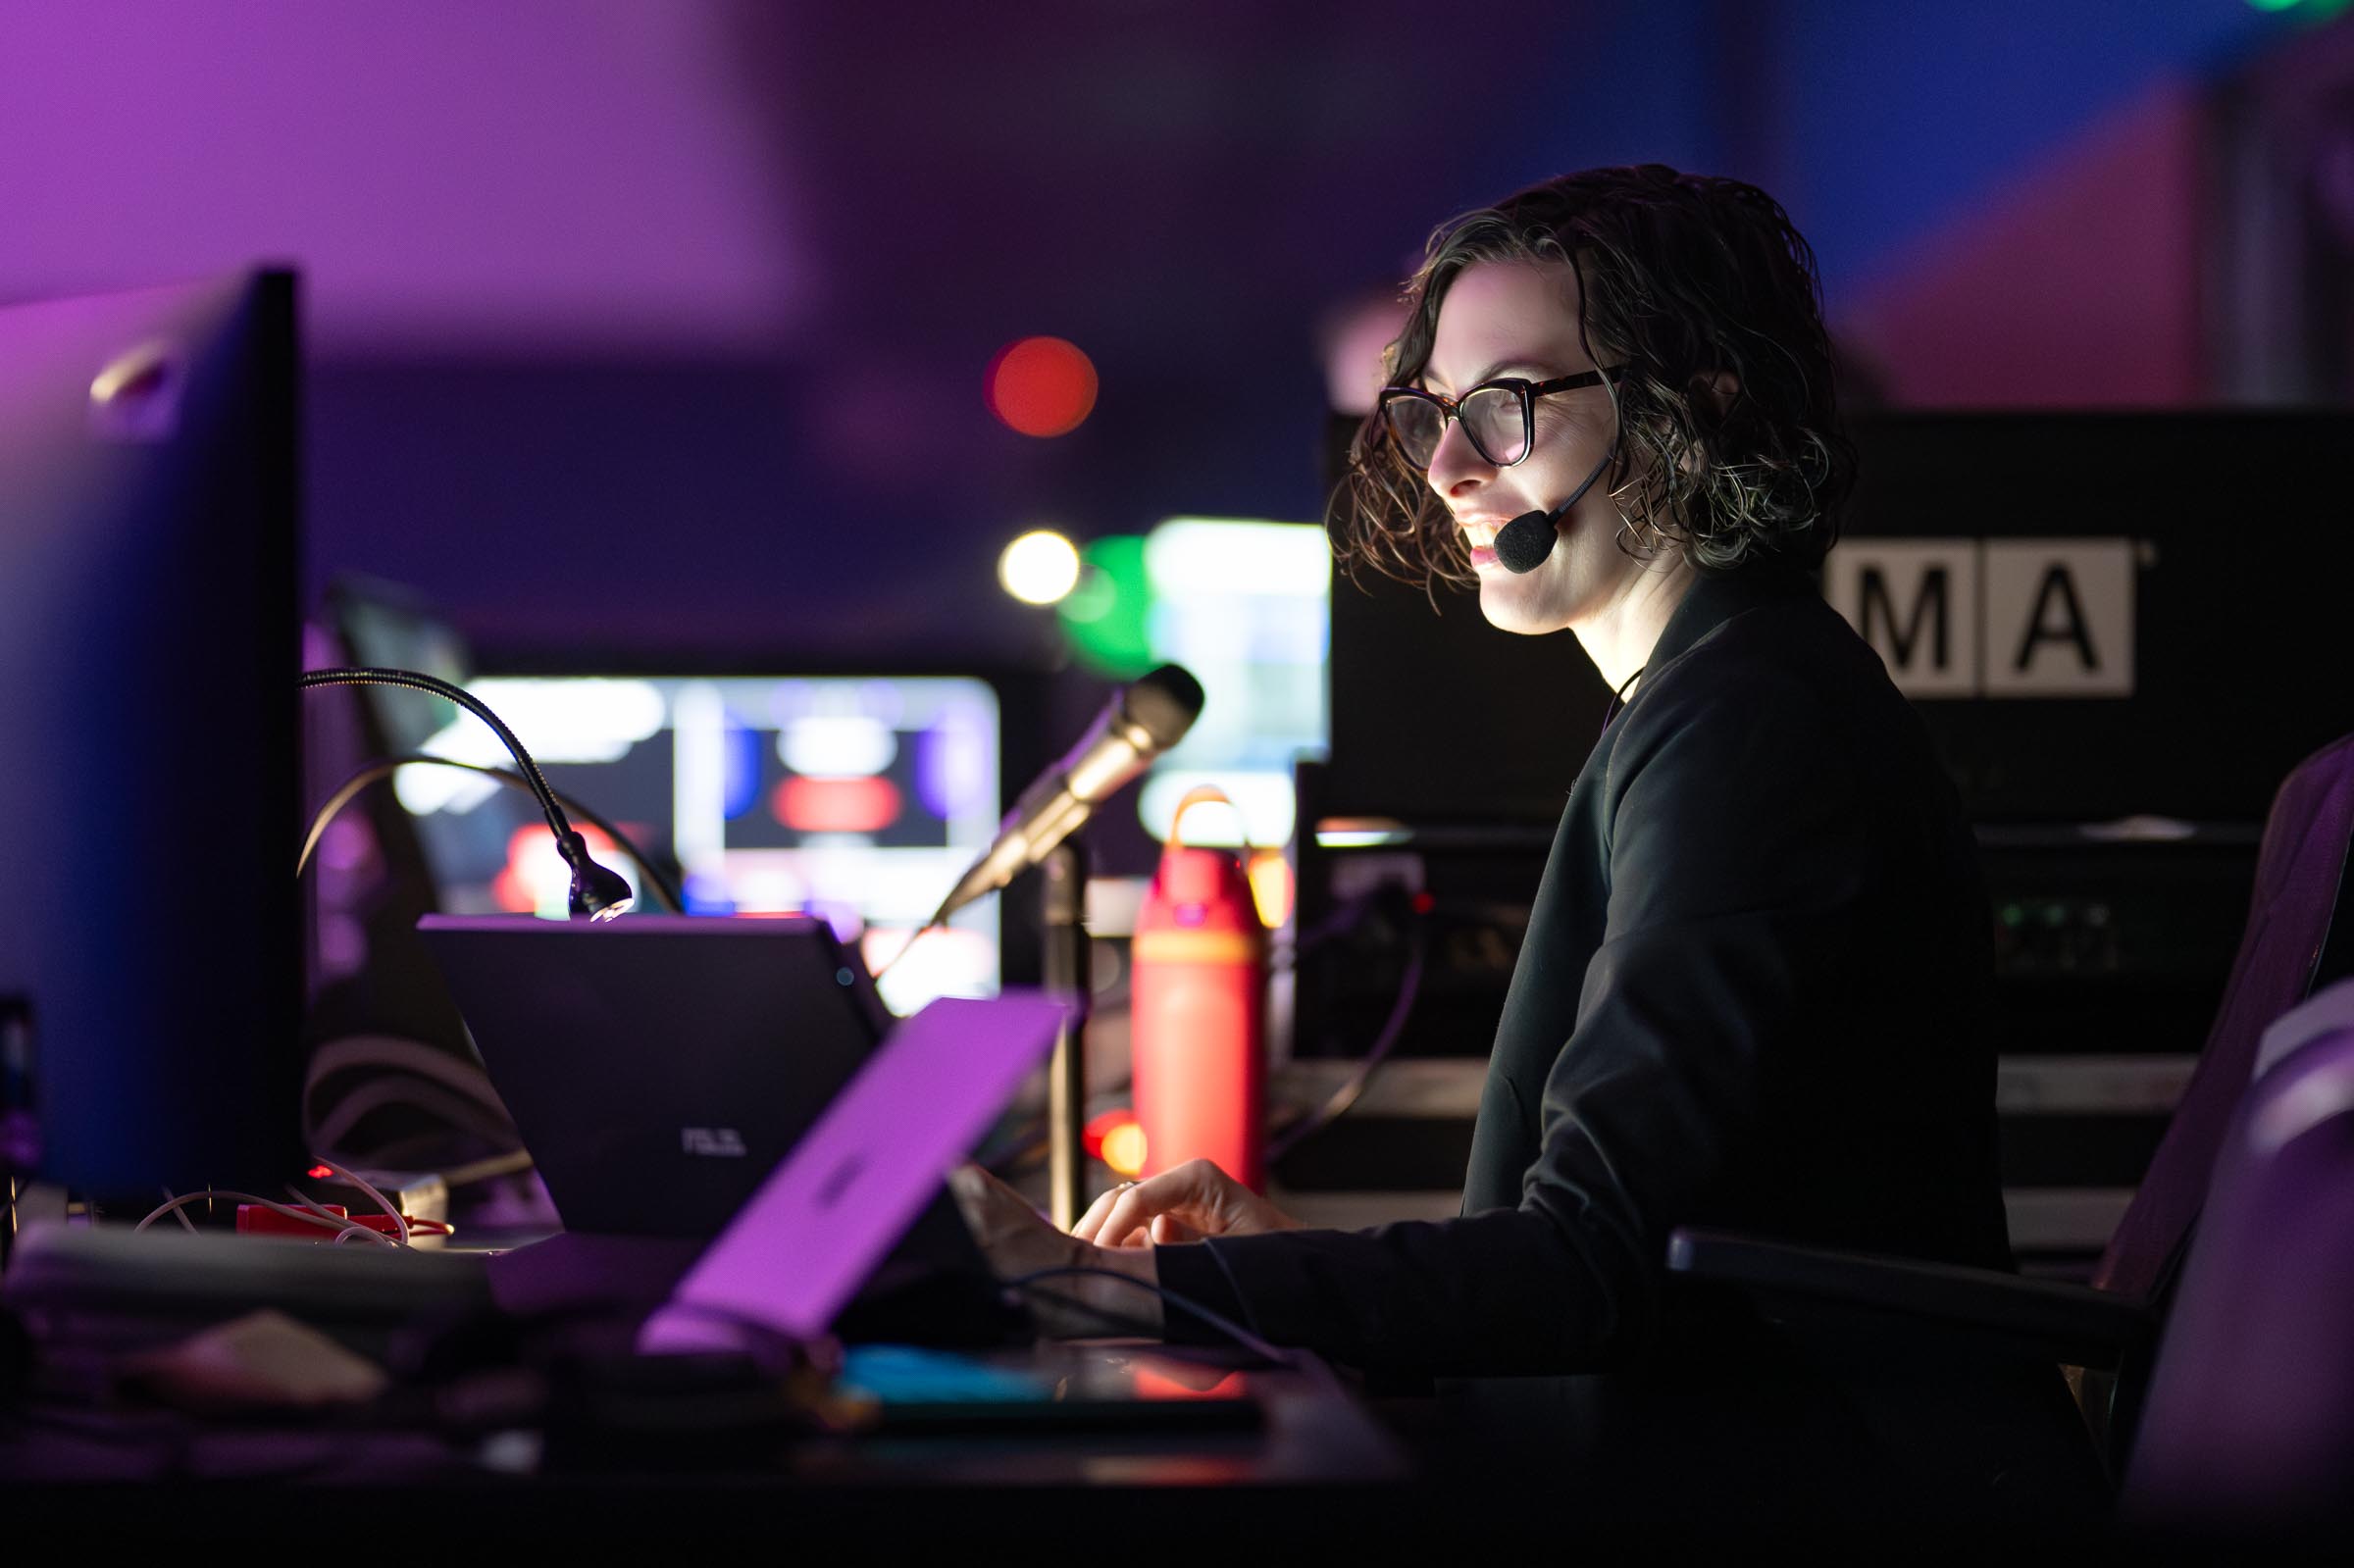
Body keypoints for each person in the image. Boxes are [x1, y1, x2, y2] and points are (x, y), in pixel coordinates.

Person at [951, 166, 2089, 1516]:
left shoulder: (1750, 734)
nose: (1446, 468)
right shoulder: (1711, 703)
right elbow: (1622, 1257)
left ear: (1694, 408)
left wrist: (1091, 1287)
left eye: (1506, 406)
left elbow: (1592, 1271)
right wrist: (1290, 1273)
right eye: (1434, 410)